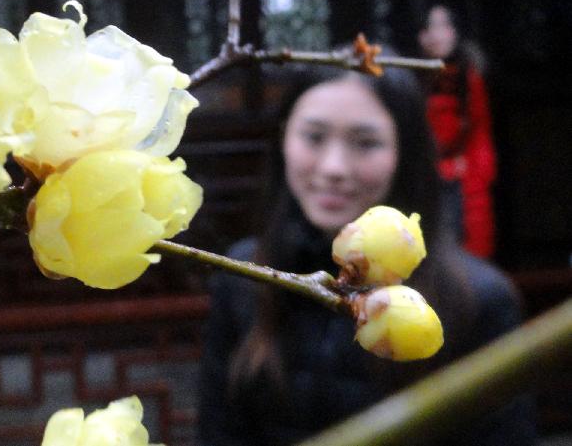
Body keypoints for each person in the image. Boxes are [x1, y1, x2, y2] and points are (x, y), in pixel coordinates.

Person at [197, 62, 536, 446]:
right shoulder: (245, 275)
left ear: (404, 153)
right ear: (283, 139)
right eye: (313, 136)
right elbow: (218, 432)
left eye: (366, 143)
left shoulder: (480, 300)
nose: (334, 167)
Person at [418, 3, 497, 258]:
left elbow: (479, 130)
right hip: (426, 174)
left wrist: (476, 172)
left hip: (464, 178)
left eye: (445, 26)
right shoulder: (414, 77)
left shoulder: (469, 76)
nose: (439, 34)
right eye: (432, 26)